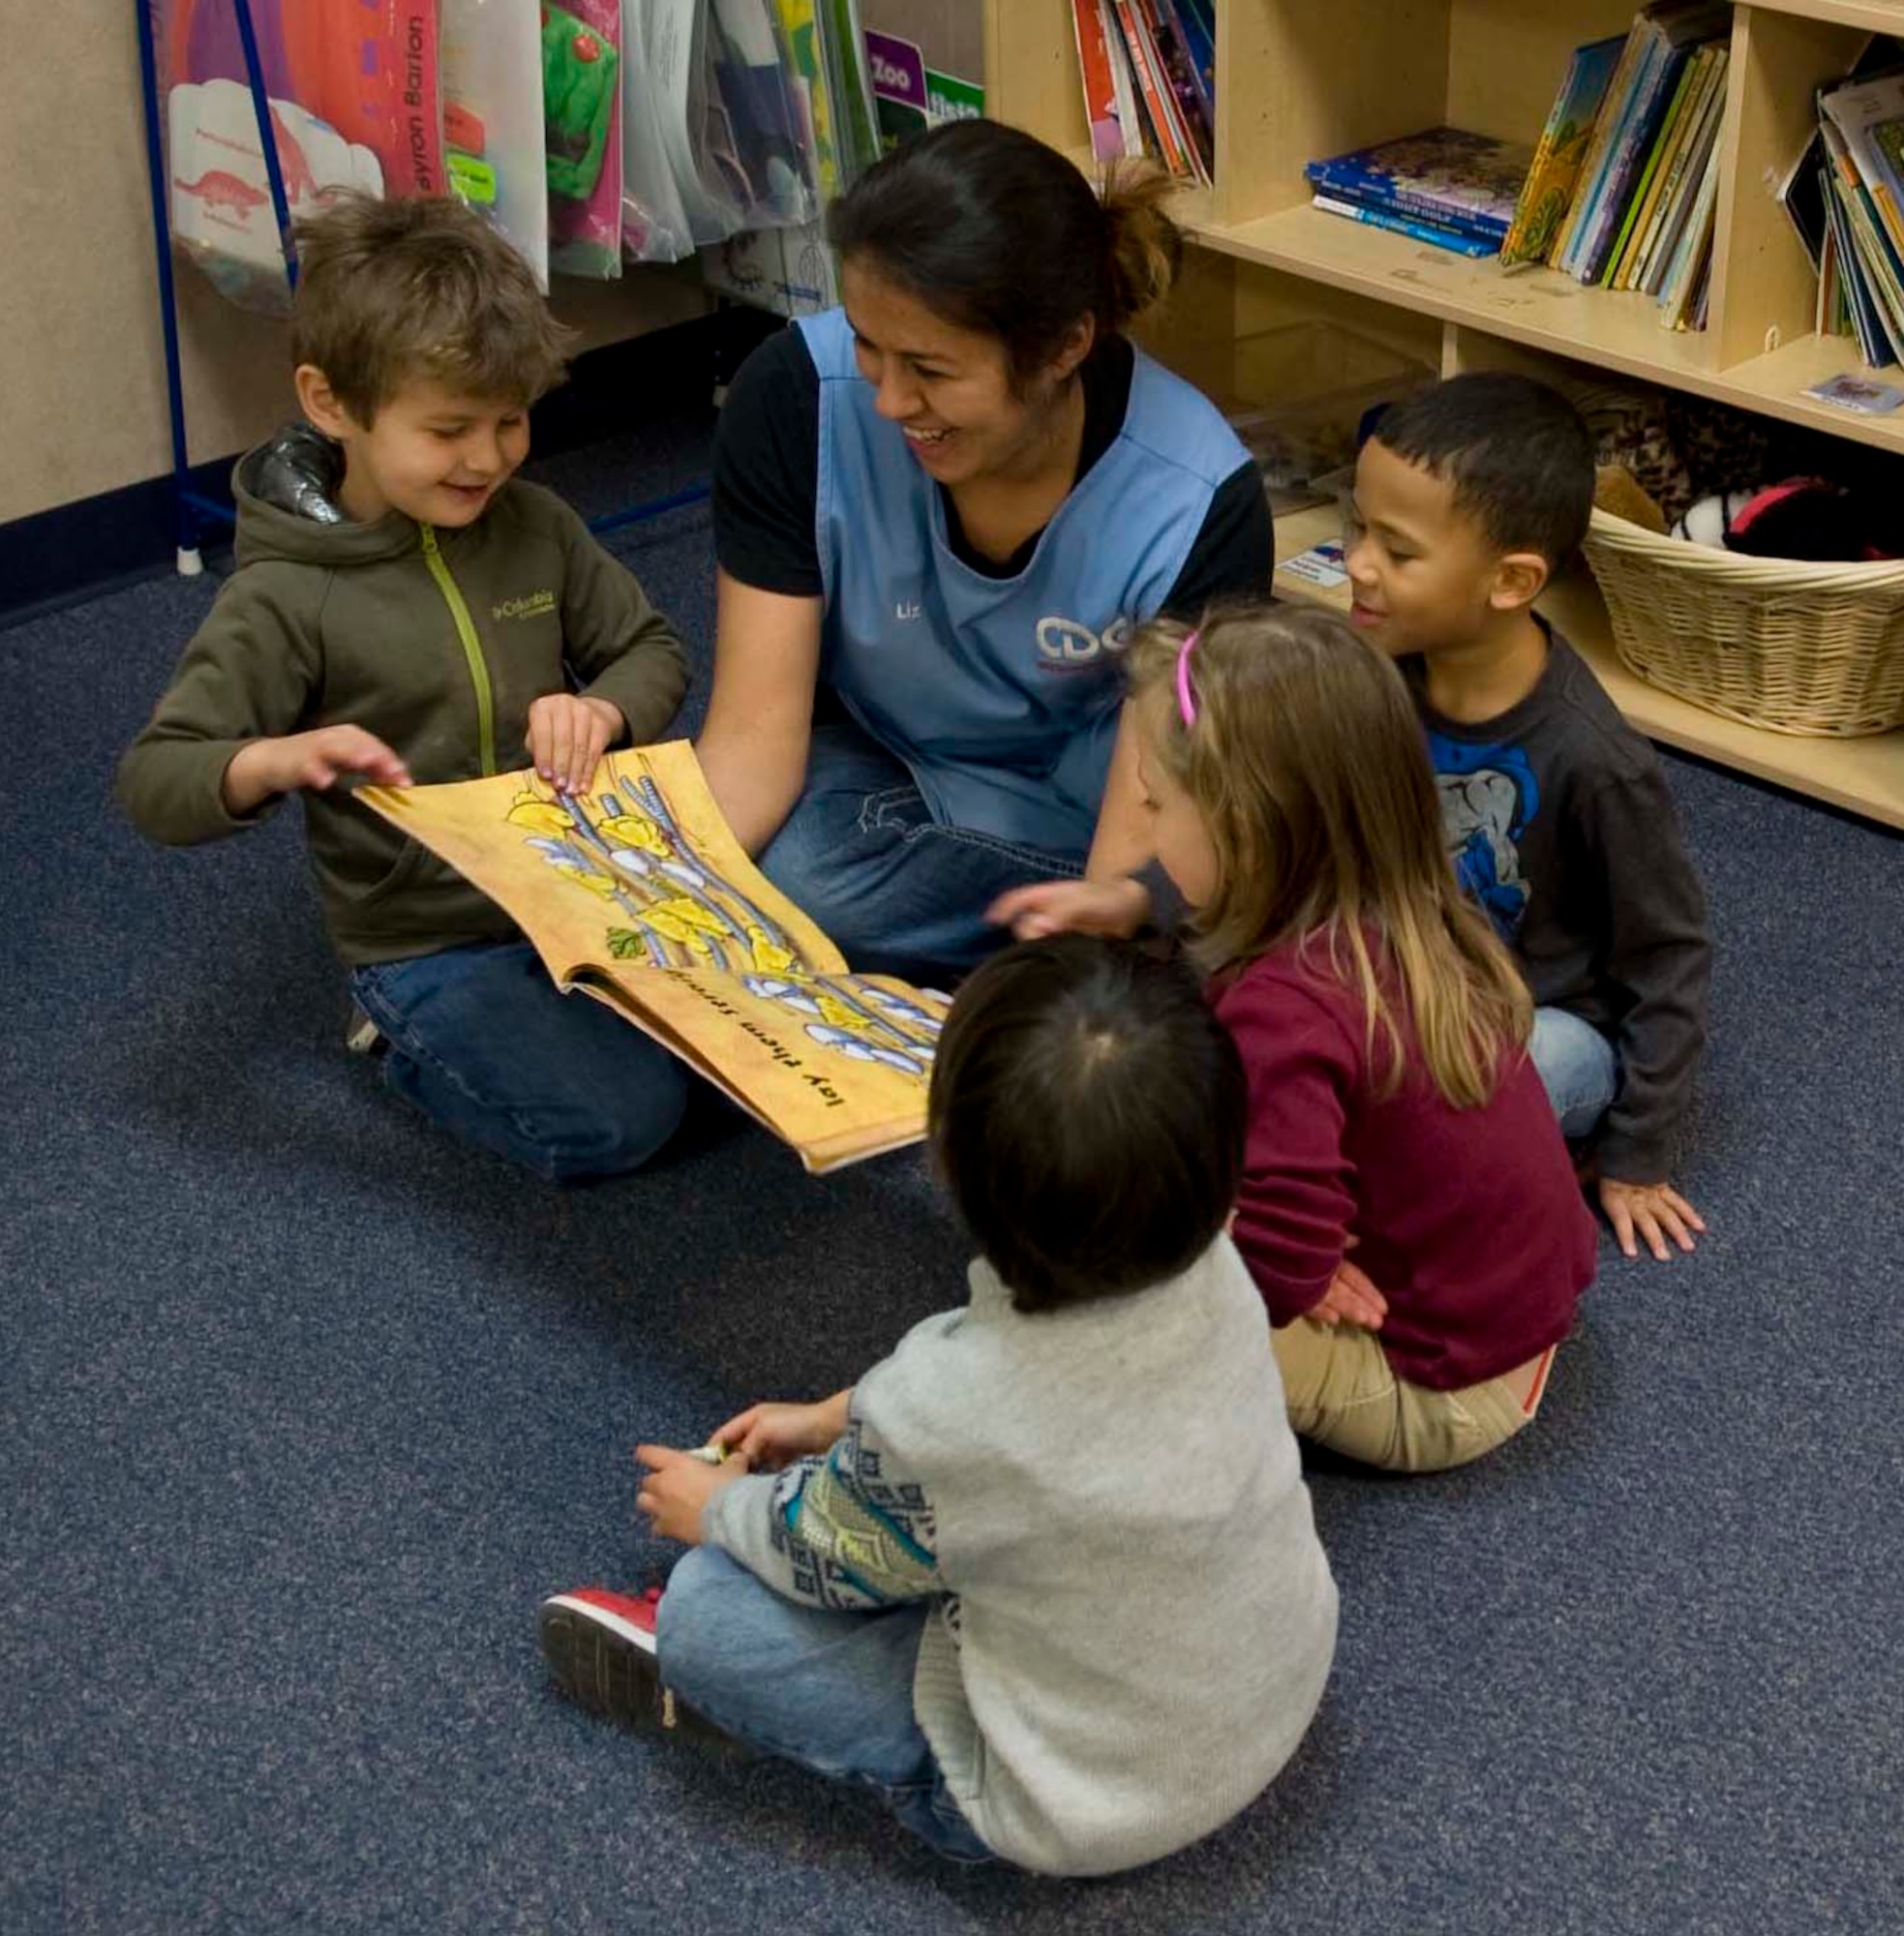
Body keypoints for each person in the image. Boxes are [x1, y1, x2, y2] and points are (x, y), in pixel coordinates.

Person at [537, 935, 1338, 1876]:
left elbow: (821, 1547)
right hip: (1270, 1680)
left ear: (949, 1171)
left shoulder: (952, 1410)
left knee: (711, 1612)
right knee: (966, 1527)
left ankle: (770, 1700)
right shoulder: (1210, 1265)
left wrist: (712, 1509)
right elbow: (1002, 1378)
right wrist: (838, 1416)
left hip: (1079, 1796)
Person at [116, 196, 691, 1182]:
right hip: (427, 939)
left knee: (744, 1035)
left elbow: (653, 647)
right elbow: (155, 779)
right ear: (331, 402)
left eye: (511, 420)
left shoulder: (538, 525)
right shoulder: (287, 595)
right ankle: (395, 1040)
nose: (489, 457)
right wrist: (272, 759)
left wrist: (603, 707)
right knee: (625, 1120)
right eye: (450, 427)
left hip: (571, 880)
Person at [998, 608, 1599, 1472]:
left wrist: (1291, 1266)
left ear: (1243, 831)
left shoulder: (1281, 1011)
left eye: (1158, 803)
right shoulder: (1404, 910)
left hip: (1432, 1386)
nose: (1144, 821)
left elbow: (1277, 1266)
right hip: (1514, 1319)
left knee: (1116, 1301)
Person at [697, 119, 1274, 983]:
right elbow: (751, 738)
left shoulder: (1199, 501)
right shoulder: (791, 396)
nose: (890, 401)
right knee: (790, 869)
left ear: (1065, 346)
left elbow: (1143, 830)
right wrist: (662, 908)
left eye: (930, 368)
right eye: (867, 344)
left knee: (820, 893)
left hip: (1092, 819)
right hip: (884, 774)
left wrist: (1109, 921)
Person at [1345, 373, 1711, 1260]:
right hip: (1401, 979)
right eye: (1358, 529)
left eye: (1396, 551)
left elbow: (1669, 955)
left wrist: (1637, 1154)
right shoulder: (1375, 675)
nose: (1357, 564)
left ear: (1511, 582)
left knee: (1529, 1069)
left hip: (1537, 1020)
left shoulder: (1596, 761)